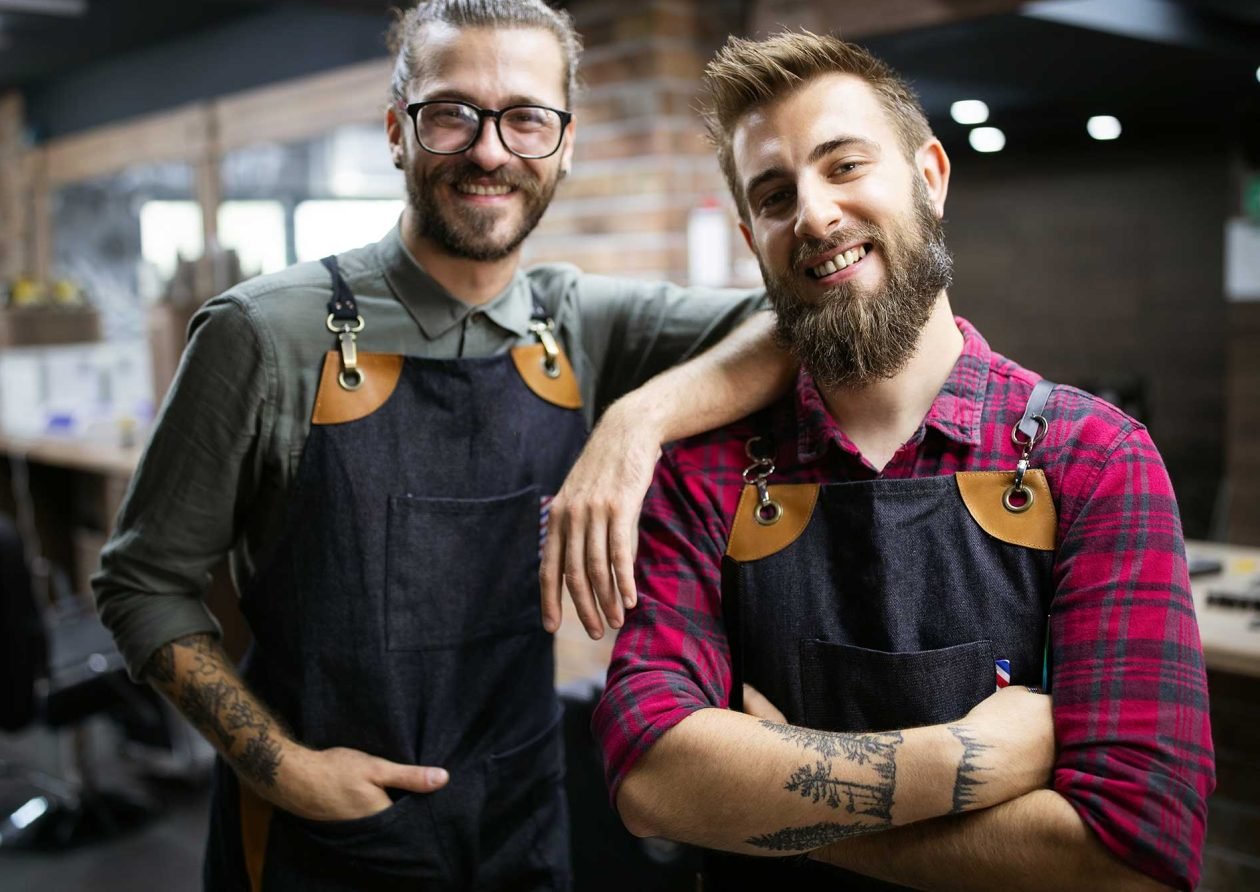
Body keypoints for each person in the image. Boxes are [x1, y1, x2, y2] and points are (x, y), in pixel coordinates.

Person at [92, 2, 792, 889]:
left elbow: (795, 324)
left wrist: (635, 420)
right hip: (326, 837)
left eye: (527, 118)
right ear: (397, 131)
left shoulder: (573, 321)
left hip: (521, 812)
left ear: (564, 145)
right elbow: (140, 580)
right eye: (451, 112)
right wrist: (281, 766)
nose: (490, 150)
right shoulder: (265, 334)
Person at [594, 30, 1215, 892]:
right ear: (751, 234)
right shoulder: (706, 477)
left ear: (930, 178)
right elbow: (653, 779)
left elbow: (1134, 852)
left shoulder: (1094, 460)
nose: (812, 214)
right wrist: (962, 762)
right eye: (776, 196)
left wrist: (757, 805)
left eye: (844, 166)